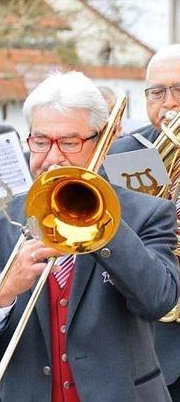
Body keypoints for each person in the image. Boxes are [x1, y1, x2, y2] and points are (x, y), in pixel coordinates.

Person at [0, 71, 180, 402]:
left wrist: (103, 224)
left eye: (70, 143)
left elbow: (159, 300)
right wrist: (4, 290)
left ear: (102, 142)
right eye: (41, 142)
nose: (53, 157)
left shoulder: (147, 212)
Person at [109, 44, 180, 400]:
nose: (168, 102)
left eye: (179, 89)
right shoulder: (127, 152)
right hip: (150, 341)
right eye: (157, 92)